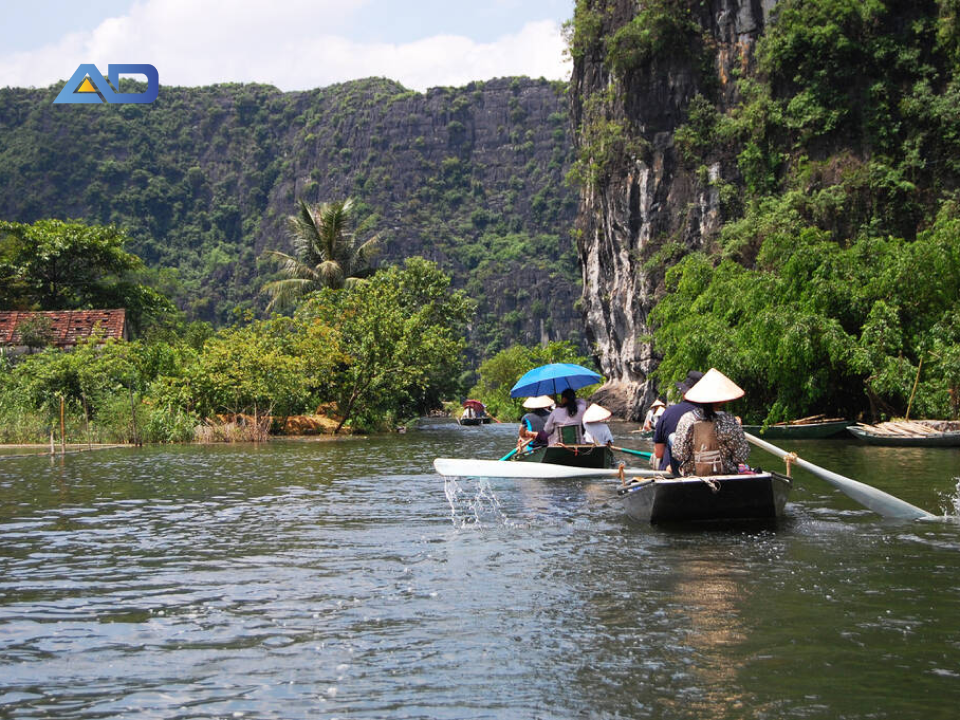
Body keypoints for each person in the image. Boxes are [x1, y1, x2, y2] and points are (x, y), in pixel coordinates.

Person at [672, 368, 749, 476]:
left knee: (671, 437)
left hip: (694, 479)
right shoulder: (730, 421)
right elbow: (741, 455)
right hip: (727, 478)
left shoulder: (687, 419)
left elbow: (679, 454)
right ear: (723, 400)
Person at [652, 370, 704, 474]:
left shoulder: (668, 413)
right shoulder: (712, 415)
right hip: (706, 472)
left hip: (672, 474)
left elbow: (658, 453)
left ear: (683, 393)